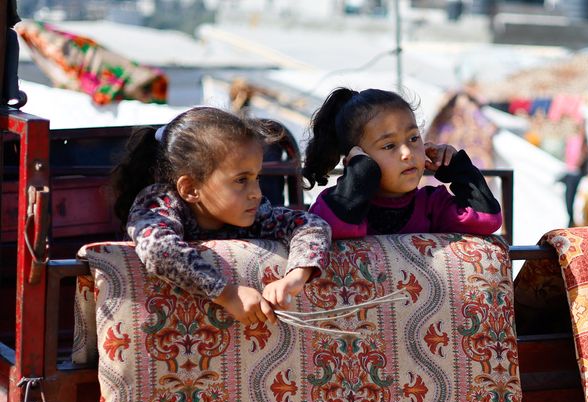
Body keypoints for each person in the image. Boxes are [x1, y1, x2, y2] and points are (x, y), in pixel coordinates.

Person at [112, 106, 331, 326]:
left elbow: (311, 225)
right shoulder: (159, 203)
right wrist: (228, 294)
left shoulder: (255, 214)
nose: (256, 193)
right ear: (190, 189)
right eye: (241, 180)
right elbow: (158, 249)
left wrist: (294, 278)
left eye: (257, 178)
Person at [303, 88, 502, 239]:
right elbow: (333, 228)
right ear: (357, 157)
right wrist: (362, 170)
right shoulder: (334, 203)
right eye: (389, 146)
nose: (407, 153)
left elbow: (487, 219)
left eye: (414, 138)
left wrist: (458, 167)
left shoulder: (431, 205)